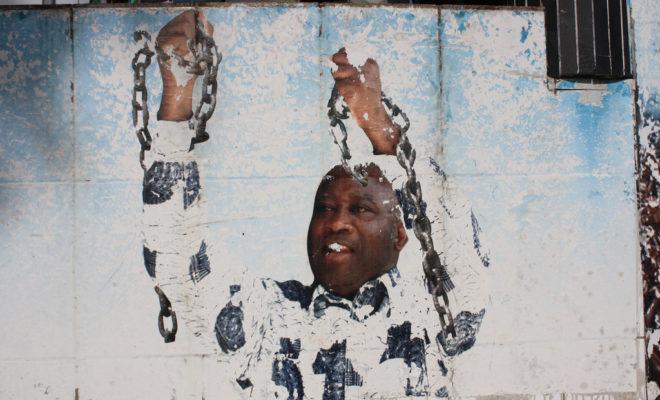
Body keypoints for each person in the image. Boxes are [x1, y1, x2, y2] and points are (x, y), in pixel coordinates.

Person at [148, 10, 486, 399]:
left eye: (360, 209)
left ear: (399, 235)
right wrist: (176, 102)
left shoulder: (427, 315)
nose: (337, 221)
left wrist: (378, 125)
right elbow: (178, 267)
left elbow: (463, 258)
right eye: (324, 209)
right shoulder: (267, 319)